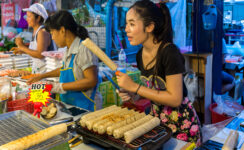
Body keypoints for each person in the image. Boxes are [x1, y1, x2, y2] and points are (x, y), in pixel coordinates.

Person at [116, 0, 201, 145]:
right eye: (126, 24)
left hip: (182, 123)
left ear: (149, 26)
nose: (126, 30)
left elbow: (175, 99)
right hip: (157, 121)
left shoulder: (169, 52)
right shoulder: (140, 54)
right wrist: (133, 95)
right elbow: (153, 91)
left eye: (132, 24)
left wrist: (135, 87)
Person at [27, 10, 102, 111]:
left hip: (87, 107)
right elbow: (65, 69)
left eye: (53, 33)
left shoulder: (84, 48)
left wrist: (59, 87)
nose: (52, 38)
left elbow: (91, 80)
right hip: (73, 105)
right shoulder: (68, 48)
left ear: (62, 30)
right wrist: (42, 76)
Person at [11, 3, 54, 73]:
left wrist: (22, 47)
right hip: (38, 71)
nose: (27, 19)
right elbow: (36, 49)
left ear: (38, 18)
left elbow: (40, 54)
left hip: (45, 73)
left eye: (29, 16)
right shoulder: (36, 31)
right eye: (26, 16)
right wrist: (23, 50)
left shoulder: (42, 32)